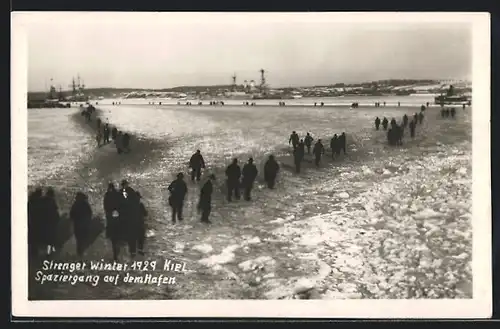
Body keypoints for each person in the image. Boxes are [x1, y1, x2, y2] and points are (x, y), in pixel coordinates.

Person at [69, 192, 92, 257]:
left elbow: (71, 215)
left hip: (78, 225)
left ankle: (80, 253)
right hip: (84, 225)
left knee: (79, 240)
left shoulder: (75, 204)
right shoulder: (86, 205)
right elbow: (90, 214)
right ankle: (82, 252)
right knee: (83, 239)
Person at [104, 182, 123, 261]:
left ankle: (112, 238)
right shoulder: (117, 194)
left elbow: (105, 205)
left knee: (112, 230)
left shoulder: (107, 194)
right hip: (116, 214)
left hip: (111, 215)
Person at [40, 187, 60, 256]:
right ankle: (49, 251)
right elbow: (55, 211)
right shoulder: (52, 201)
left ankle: (49, 250)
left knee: (46, 237)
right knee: (51, 237)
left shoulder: (42, 200)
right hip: (51, 222)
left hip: (44, 222)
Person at [28, 188, 43, 257]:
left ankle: (32, 252)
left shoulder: (31, 200)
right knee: (35, 238)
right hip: (36, 222)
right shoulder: (38, 201)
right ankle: (34, 252)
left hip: (31, 221)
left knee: (32, 238)